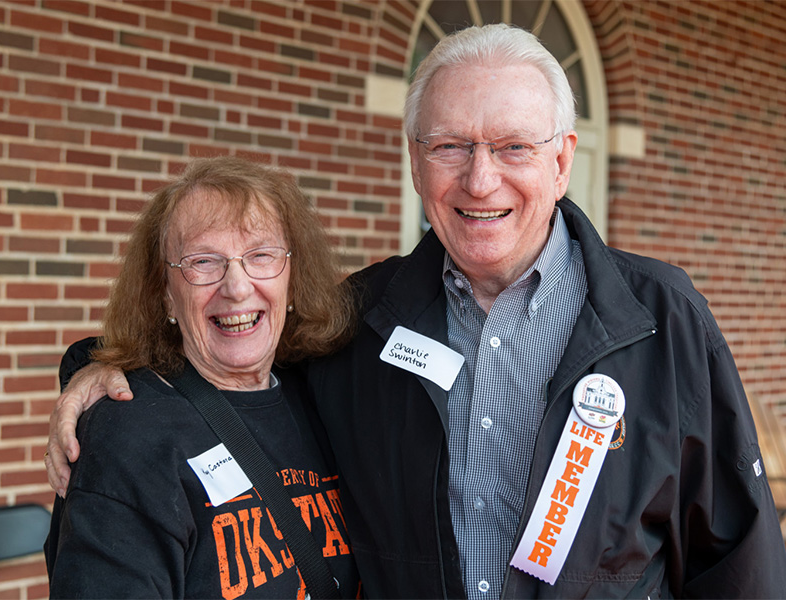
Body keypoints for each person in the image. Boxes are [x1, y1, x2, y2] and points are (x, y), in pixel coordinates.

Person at [45, 24, 786, 599]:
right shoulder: (358, 320)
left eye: (513, 146)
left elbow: (738, 558)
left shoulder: (659, 315)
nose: (480, 177)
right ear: (414, 161)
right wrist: (106, 374)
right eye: (450, 146)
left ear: (562, 161)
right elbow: (233, 354)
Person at [44, 156, 360, 599]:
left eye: (261, 255)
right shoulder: (128, 435)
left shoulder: (328, 397)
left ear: (293, 275)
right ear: (166, 295)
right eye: (203, 262)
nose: (237, 286)